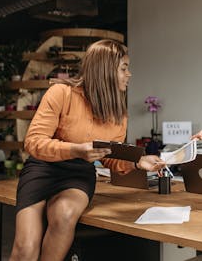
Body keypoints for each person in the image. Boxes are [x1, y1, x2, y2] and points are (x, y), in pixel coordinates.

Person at [9, 39, 165, 261]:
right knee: (26, 248)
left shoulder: (119, 116)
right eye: (124, 68)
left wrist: (137, 162)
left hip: (78, 174)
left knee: (64, 215)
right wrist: (75, 150)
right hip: (42, 169)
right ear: (105, 69)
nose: (129, 74)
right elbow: (33, 142)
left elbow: (110, 158)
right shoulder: (61, 93)